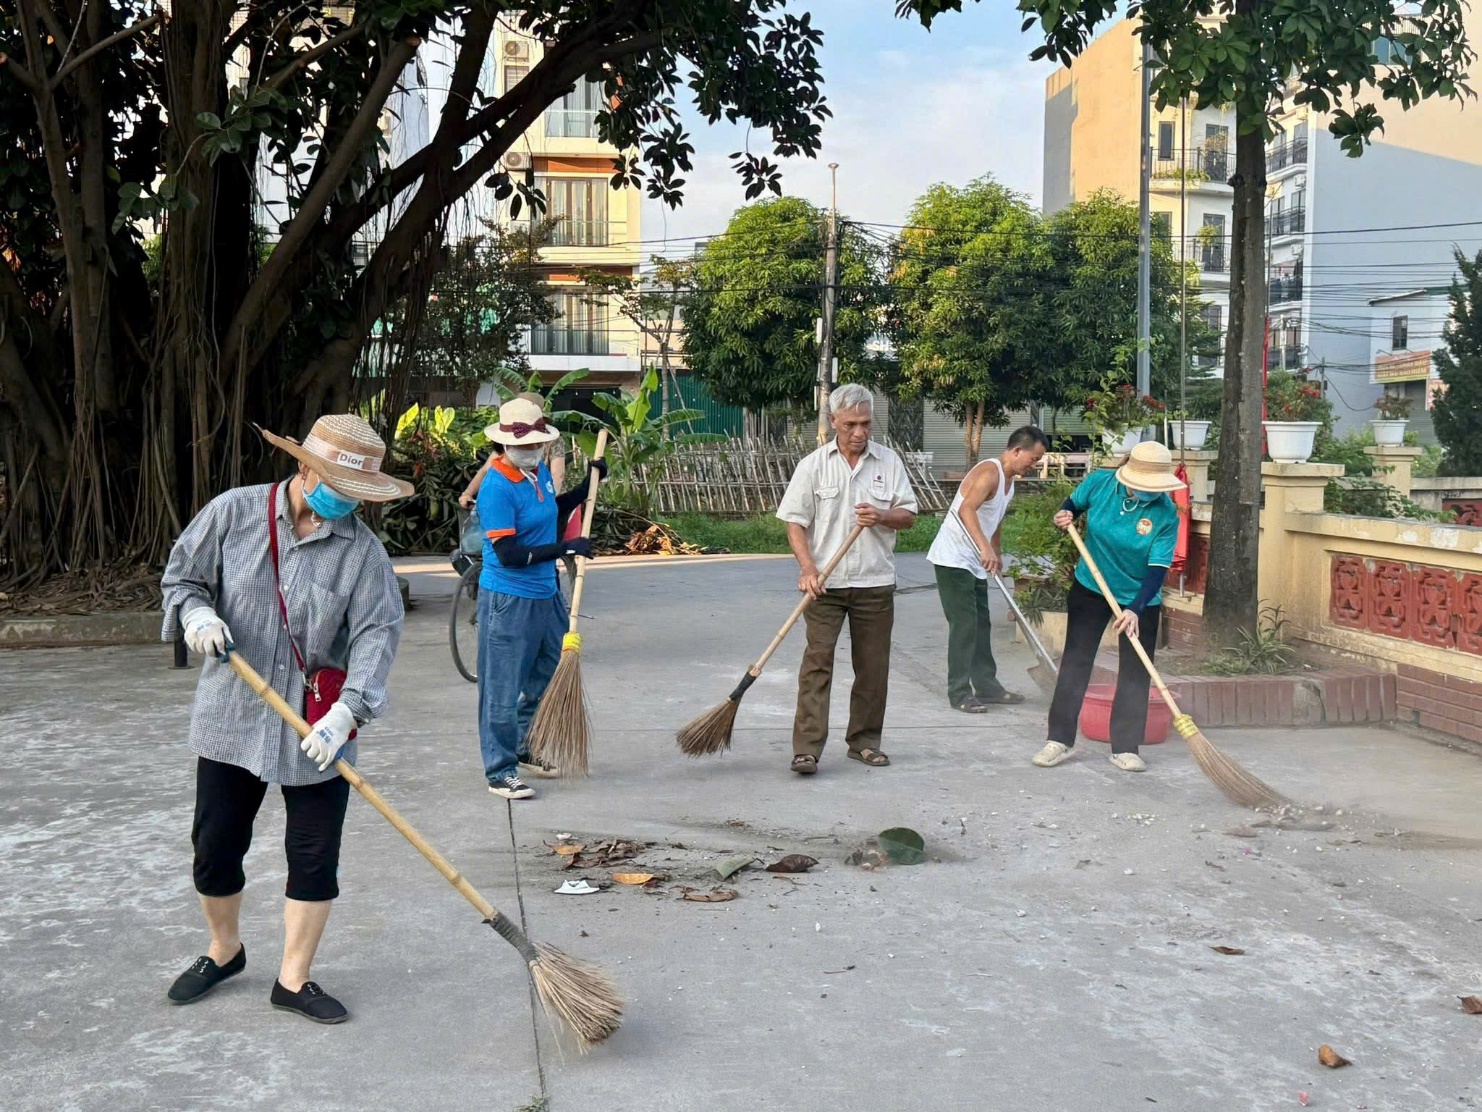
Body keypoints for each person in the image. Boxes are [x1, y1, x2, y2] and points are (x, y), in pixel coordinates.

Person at [160, 414, 411, 1024]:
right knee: (215, 846)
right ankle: (224, 950)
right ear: (305, 468)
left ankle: (293, 979)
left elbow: (377, 636)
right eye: (340, 489)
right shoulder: (233, 514)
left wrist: (347, 716)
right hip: (232, 717)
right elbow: (182, 578)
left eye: (357, 496)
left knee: (314, 853)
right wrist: (195, 616)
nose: (346, 503)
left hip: (318, 726)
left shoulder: (364, 555)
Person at [776, 383, 918, 774]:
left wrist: (882, 515)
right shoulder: (813, 465)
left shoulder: (888, 463)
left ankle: (865, 742)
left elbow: (908, 515)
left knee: (873, 668)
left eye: (866, 424)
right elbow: (795, 521)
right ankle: (806, 748)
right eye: (851, 423)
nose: (859, 432)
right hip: (825, 586)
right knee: (816, 665)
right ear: (834, 421)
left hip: (874, 583)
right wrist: (807, 569)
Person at [476, 396, 605, 799]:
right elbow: (510, 555)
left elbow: (553, 509)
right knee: (502, 685)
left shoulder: (540, 475)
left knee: (548, 672)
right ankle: (500, 769)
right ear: (504, 445)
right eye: (525, 446)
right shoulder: (496, 488)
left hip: (547, 593)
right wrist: (566, 549)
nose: (532, 451)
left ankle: (524, 744)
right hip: (509, 598)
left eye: (537, 444)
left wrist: (589, 484)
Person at [1031, 441, 1185, 774]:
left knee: (1135, 671)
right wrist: (1066, 512)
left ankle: (1126, 747)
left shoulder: (1165, 514)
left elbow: (1158, 569)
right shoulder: (1101, 483)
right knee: (1076, 659)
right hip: (1091, 587)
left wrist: (1135, 608)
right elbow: (1073, 503)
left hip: (1139, 596)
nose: (1149, 492)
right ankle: (1059, 739)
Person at [927, 426, 1049, 712]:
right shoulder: (989, 471)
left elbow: (995, 517)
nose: (1034, 465)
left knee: (982, 623)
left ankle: (987, 687)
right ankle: (958, 693)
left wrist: (996, 549)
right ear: (1017, 450)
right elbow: (965, 510)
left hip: (976, 561)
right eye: (1033, 459)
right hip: (953, 559)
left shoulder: (1010, 482)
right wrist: (984, 548)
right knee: (964, 625)